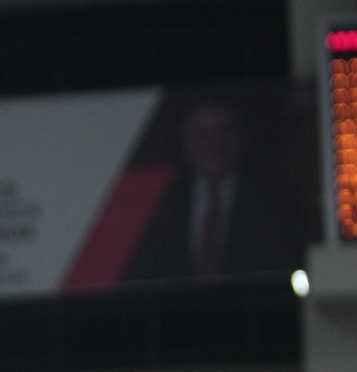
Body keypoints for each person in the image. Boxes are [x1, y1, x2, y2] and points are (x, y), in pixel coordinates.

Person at [121, 99, 312, 281]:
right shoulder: (161, 199)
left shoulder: (274, 199)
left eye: (224, 131)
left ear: (241, 136)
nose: (213, 144)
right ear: (183, 137)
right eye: (202, 133)